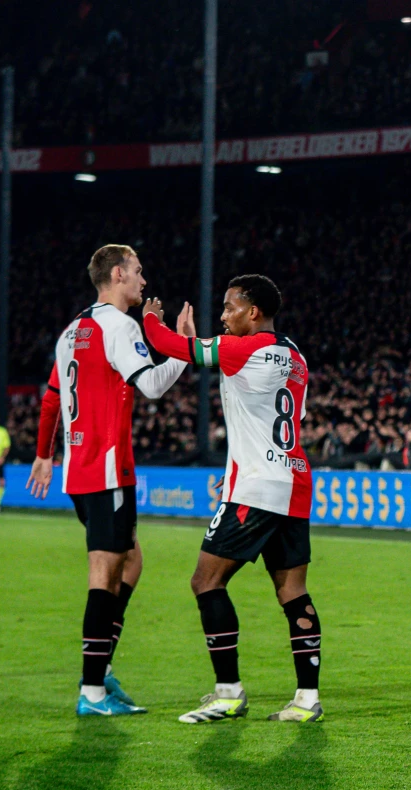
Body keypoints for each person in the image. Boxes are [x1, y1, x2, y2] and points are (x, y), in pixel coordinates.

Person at [141, 275, 323, 724]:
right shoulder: (296, 356)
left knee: (206, 581)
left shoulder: (245, 348)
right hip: (294, 481)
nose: (223, 317)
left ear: (253, 312)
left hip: (256, 486)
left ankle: (228, 693)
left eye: (229, 308)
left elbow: (173, 346)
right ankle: (307, 699)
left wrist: (149, 318)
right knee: (293, 592)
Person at [28, 244, 188, 716]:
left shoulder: (73, 328)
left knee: (131, 562)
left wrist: (43, 455)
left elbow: (52, 398)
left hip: (81, 473)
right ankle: (92, 691)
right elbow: (154, 386)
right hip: (107, 470)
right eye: (138, 271)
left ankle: (102, 670)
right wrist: (179, 344)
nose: (143, 280)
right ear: (117, 274)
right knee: (104, 573)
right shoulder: (119, 326)